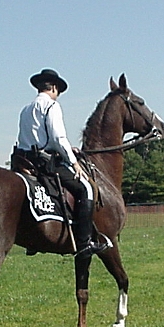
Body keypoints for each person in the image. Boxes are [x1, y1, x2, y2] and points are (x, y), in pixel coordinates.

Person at [15, 69, 109, 258]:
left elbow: (32, 138)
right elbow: (58, 138)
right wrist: (74, 163)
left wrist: (67, 148)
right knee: (87, 189)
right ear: (55, 88)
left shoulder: (26, 109)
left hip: (24, 161)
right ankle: (85, 243)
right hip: (45, 162)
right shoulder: (51, 106)